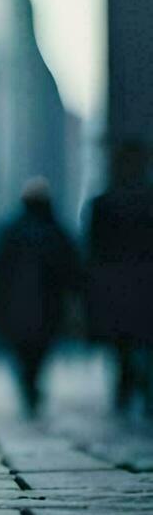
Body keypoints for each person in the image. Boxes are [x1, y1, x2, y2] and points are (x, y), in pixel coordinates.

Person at [0, 178, 82, 414]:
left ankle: (28, 382)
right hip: (47, 305)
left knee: (23, 350)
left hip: (16, 306)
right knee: (39, 350)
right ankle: (31, 382)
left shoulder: (11, 231)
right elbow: (72, 268)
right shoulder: (55, 231)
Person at [87, 141, 153, 415]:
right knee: (140, 341)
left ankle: (129, 386)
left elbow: (92, 249)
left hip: (117, 283)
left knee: (124, 342)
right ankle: (140, 387)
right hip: (141, 282)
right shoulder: (146, 201)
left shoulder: (103, 204)